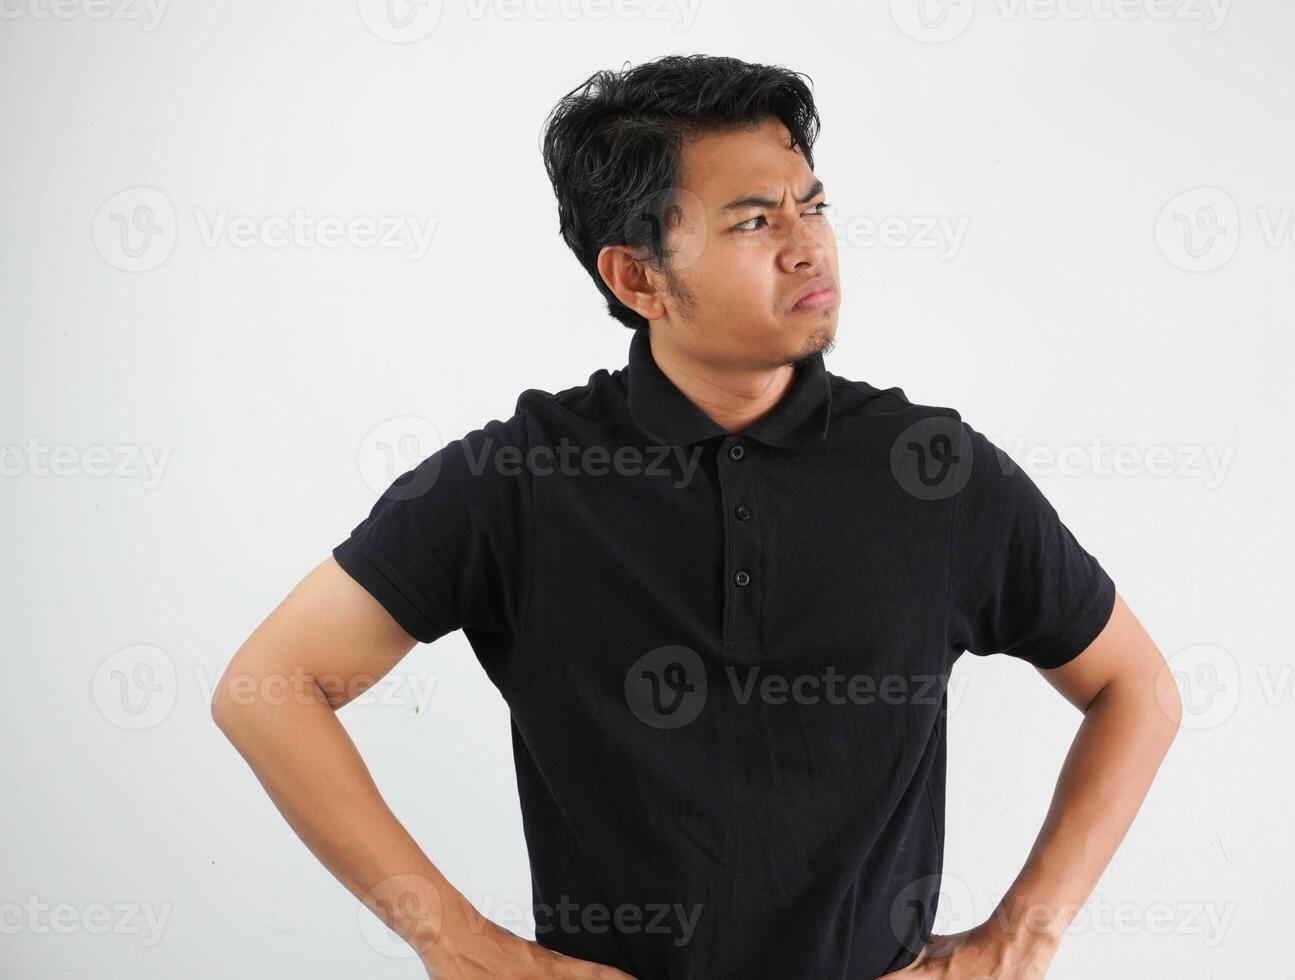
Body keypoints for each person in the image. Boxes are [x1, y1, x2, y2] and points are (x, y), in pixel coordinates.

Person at [212, 53, 1181, 980]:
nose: (808, 244)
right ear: (636, 279)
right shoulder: (519, 477)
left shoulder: (936, 473)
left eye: (813, 205)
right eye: (754, 221)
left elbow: (1136, 685)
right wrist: (461, 945)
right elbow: (269, 684)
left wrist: (1019, 942)